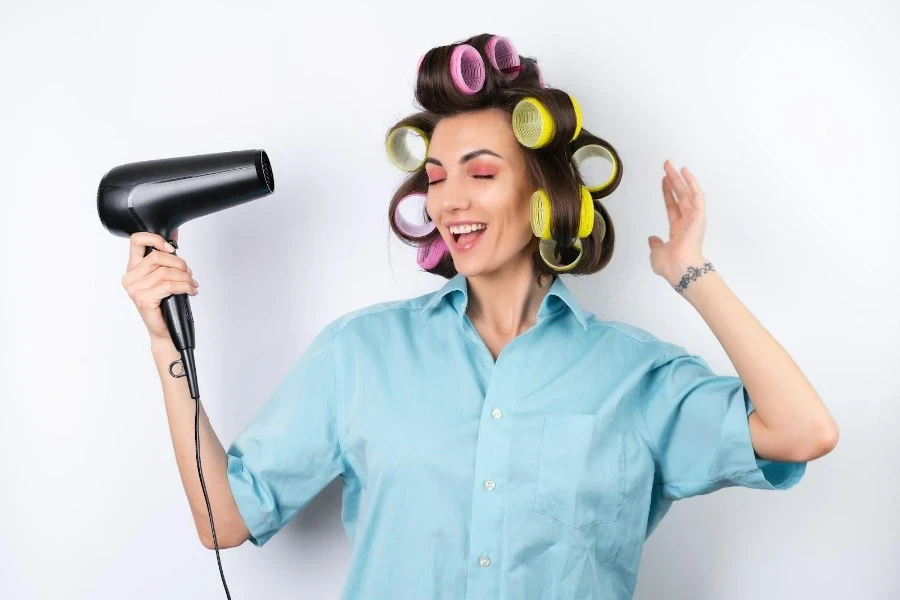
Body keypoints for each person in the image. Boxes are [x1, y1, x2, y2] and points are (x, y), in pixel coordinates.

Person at [121, 33, 839, 600]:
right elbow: (224, 518)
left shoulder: (636, 376)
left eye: (481, 172)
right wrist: (164, 344)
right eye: (435, 178)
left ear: (543, 189)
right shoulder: (361, 354)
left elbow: (803, 430)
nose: (448, 200)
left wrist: (692, 274)